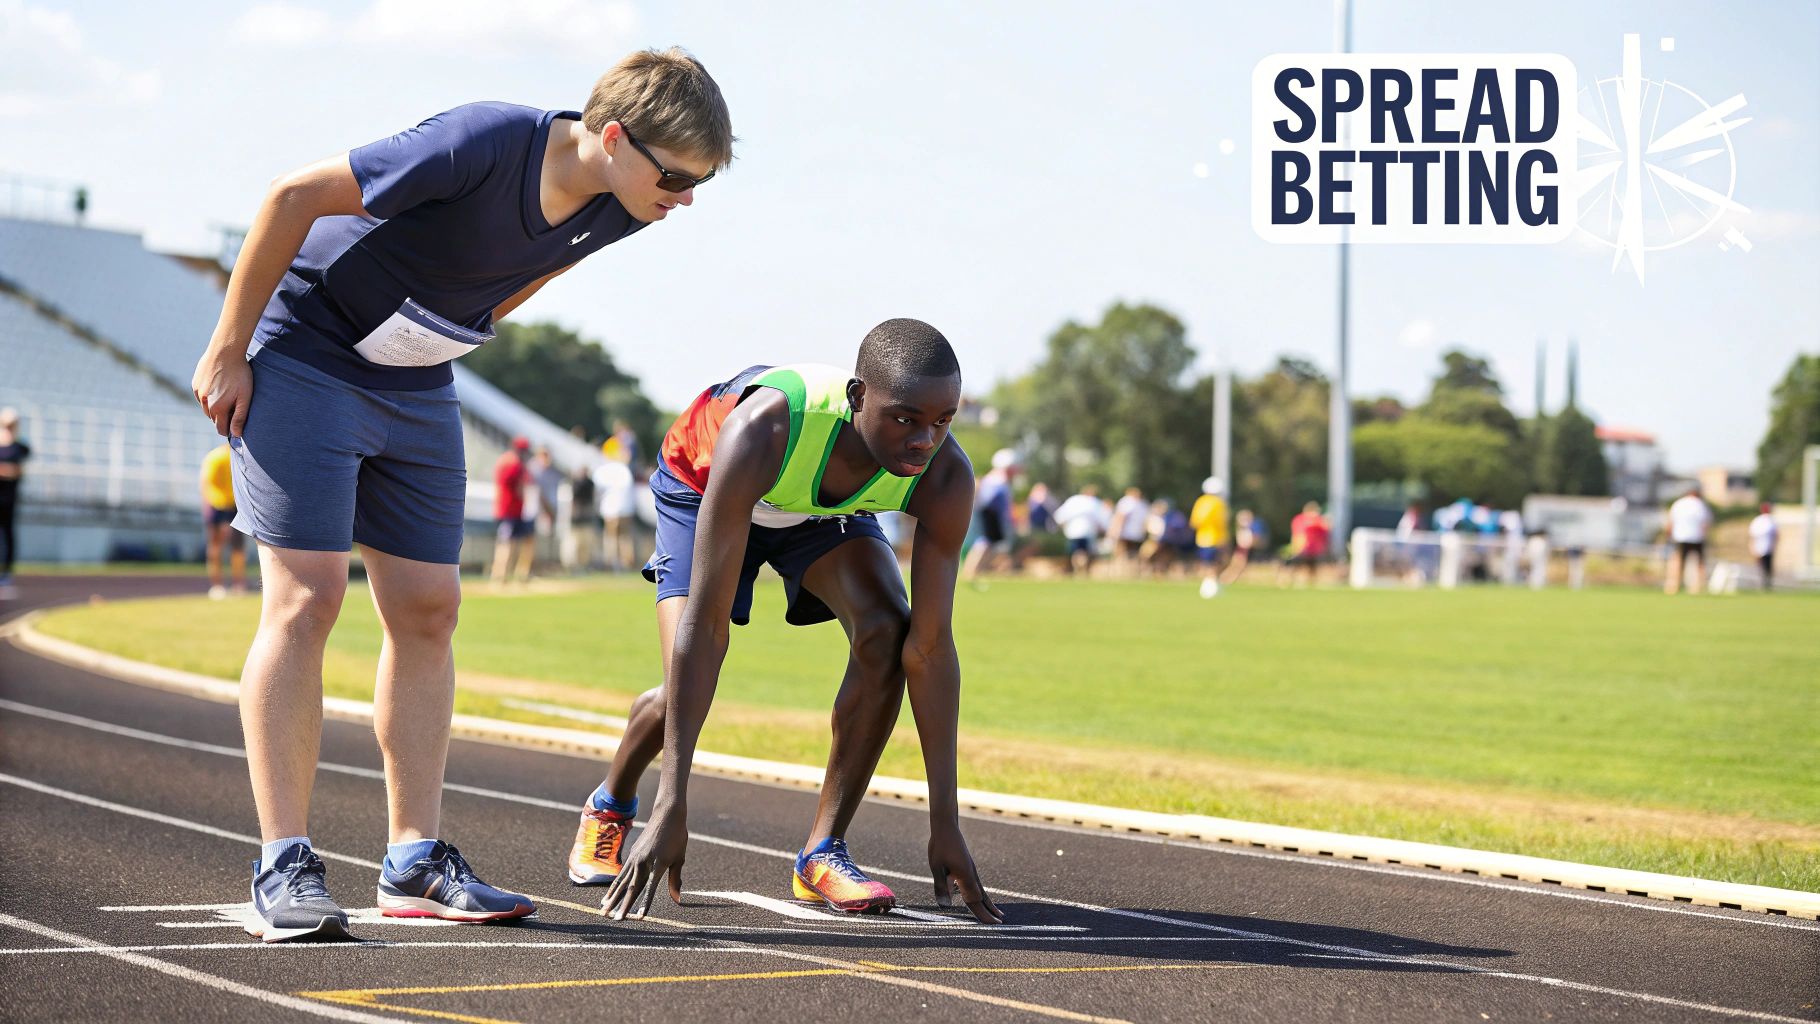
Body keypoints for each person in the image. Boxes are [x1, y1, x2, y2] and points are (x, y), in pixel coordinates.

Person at [186, 49, 735, 941]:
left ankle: (411, 862)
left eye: (699, 184)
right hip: (307, 351)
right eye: (674, 176)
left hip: (417, 378)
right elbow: (291, 197)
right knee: (309, 595)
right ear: (612, 137)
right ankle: (282, 866)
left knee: (430, 607)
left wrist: (459, 328)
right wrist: (227, 349)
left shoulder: (627, 205)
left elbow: (542, 268)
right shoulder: (482, 141)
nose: (682, 199)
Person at [575, 320, 1002, 926]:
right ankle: (612, 801)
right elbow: (706, 628)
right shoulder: (764, 427)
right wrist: (672, 803)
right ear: (858, 399)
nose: (923, 440)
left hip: (819, 512)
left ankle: (822, 852)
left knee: (888, 632)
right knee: (685, 682)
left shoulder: (944, 475)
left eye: (943, 421)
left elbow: (930, 651)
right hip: (707, 487)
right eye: (905, 418)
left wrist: (946, 824)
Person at [961, 448, 1019, 586]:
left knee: (987, 546)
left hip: (991, 515)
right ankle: (970, 574)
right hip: (990, 515)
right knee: (984, 545)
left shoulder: (996, 479)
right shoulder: (997, 480)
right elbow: (989, 501)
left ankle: (974, 573)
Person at [200, 442, 249, 599]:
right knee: (225, 547)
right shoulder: (221, 457)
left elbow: (205, 482)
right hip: (224, 504)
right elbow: (209, 482)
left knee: (226, 548)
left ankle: (227, 585)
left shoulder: (216, 456)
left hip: (228, 505)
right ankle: (228, 585)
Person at [491, 438, 536, 585]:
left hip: (506, 509)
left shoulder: (504, 460)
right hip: (510, 510)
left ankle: (504, 574)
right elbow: (520, 487)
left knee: (510, 542)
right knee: (507, 543)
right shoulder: (515, 464)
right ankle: (500, 575)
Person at [0, 408, 28, 601]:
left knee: (8, 534)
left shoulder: (20, 447)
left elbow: (18, 471)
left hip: (9, 499)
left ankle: (7, 571)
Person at [1053, 484, 1110, 577]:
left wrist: (1063, 527)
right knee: (1085, 553)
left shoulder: (1073, 500)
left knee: (1075, 552)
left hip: (1073, 532)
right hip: (1088, 532)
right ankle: (1083, 571)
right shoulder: (1094, 502)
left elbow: (1059, 516)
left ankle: (1076, 570)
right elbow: (1103, 520)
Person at [594, 454, 638, 571]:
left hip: (610, 509)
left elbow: (597, 491)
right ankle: (626, 563)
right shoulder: (624, 470)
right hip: (625, 509)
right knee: (625, 538)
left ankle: (612, 563)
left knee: (611, 537)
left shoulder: (603, 470)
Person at [1665, 486, 1712, 595]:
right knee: (1699, 563)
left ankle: (1673, 586)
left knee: (1677, 562)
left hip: (1680, 537)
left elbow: (1670, 522)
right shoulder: (1701, 504)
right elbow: (1706, 523)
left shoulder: (1678, 504)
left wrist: (1668, 536)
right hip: (1697, 537)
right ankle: (1698, 588)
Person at [1189, 476, 1230, 598]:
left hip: (1203, 539)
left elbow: (1194, 522)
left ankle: (1209, 585)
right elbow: (1223, 522)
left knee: (1208, 563)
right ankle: (1211, 586)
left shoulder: (1201, 502)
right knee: (1215, 563)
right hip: (1216, 539)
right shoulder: (1218, 503)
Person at [1278, 501, 1330, 587]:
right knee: (1295, 566)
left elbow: (1326, 533)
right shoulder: (1300, 520)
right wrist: (1297, 549)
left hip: (1315, 551)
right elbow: (1298, 536)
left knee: (1312, 569)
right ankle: (1287, 582)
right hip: (1303, 550)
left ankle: (1310, 585)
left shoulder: (1319, 521)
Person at [565, 463, 600, 571]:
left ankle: (582, 565)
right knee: (576, 543)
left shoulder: (589, 483)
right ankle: (575, 565)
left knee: (585, 544)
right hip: (577, 518)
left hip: (585, 517)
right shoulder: (575, 483)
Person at [1109, 486, 1149, 576]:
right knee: (1134, 555)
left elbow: (1121, 517)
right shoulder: (1143, 504)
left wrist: (1115, 530)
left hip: (1125, 533)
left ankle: (1119, 573)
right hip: (1138, 535)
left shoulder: (1126, 502)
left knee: (1121, 554)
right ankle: (1133, 573)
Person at [1222, 508, 1259, 585]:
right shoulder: (1243, 530)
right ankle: (1224, 580)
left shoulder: (1246, 530)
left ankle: (1228, 581)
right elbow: (1245, 542)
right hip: (1242, 551)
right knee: (1236, 567)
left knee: (1238, 568)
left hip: (1243, 550)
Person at [1749, 503, 1778, 591]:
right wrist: (1752, 547)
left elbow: (1776, 535)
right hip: (1759, 548)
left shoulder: (1771, 521)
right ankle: (1762, 584)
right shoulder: (1758, 521)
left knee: (1767, 567)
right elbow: (1752, 536)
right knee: (1761, 567)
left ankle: (1767, 585)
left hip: (1768, 548)